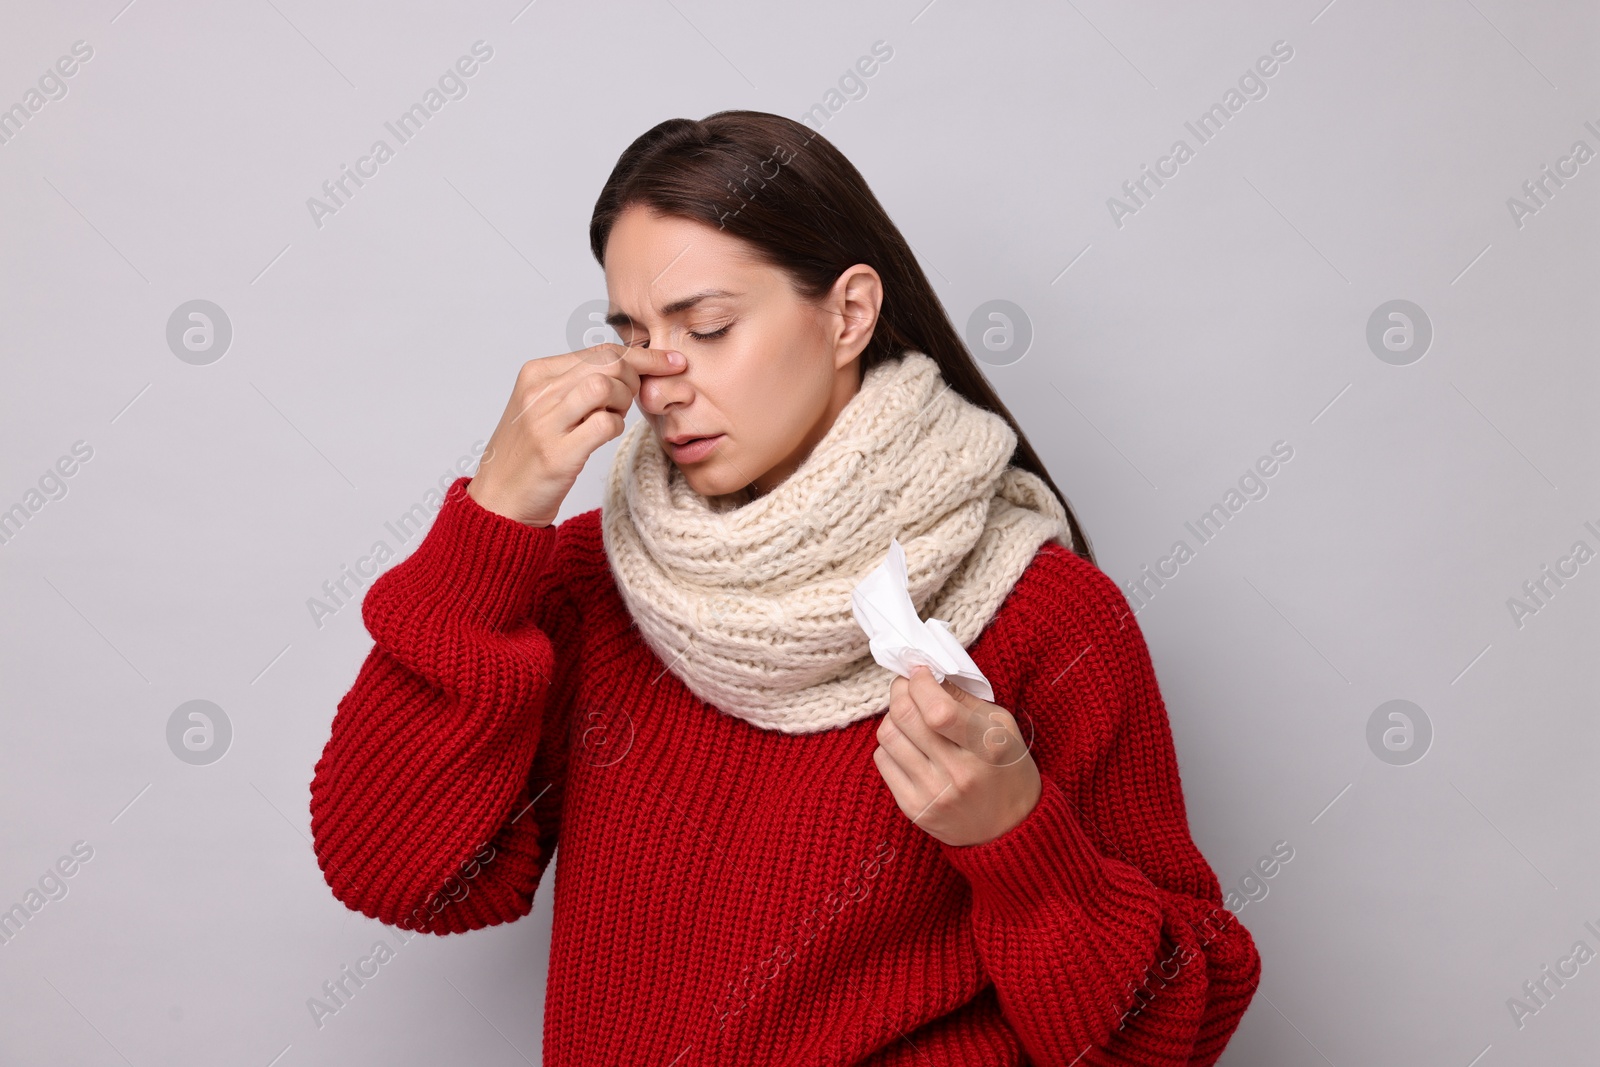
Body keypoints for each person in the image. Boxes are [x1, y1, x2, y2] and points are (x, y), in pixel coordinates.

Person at [309, 109, 1260, 1065]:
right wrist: (496, 515)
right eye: (636, 337)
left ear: (848, 314)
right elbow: (396, 871)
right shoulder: (592, 588)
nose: (662, 382)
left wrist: (1017, 843)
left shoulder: (1044, 615)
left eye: (709, 327)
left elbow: (1165, 1037)